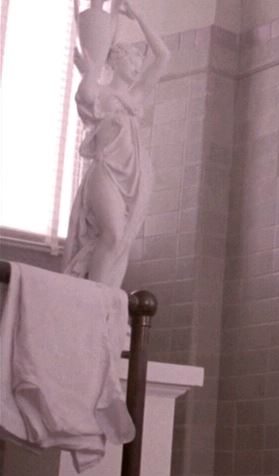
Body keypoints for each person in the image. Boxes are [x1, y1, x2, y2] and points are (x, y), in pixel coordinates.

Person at [62, 0, 169, 288]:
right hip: (106, 171)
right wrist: (91, 67)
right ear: (114, 60)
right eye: (131, 59)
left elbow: (163, 56)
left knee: (120, 241)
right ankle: (96, 296)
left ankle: (104, 295)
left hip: (133, 176)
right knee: (112, 234)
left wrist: (139, 15)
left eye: (138, 61)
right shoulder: (99, 93)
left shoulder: (136, 97)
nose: (136, 65)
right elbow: (86, 92)